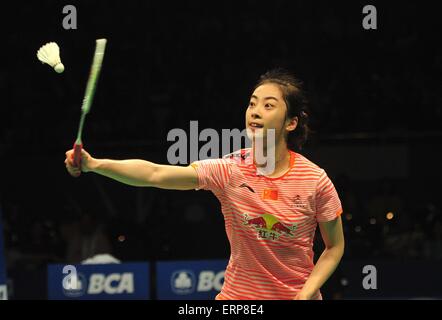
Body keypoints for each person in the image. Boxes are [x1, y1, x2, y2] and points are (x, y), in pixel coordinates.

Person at [64, 69, 344, 300]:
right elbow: (154, 174)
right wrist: (94, 164)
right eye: (252, 103)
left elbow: (334, 248)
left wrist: (306, 294)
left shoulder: (314, 180)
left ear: (291, 123)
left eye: (268, 105)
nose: (255, 111)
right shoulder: (230, 170)